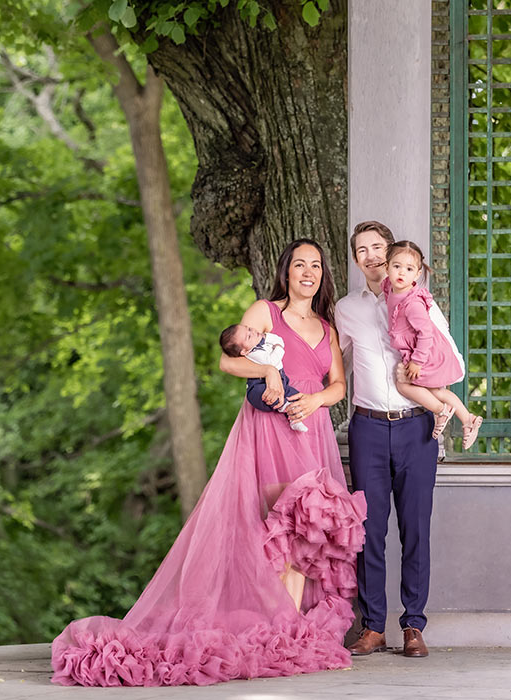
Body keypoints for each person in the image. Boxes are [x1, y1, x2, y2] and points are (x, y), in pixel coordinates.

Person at [51, 239, 365, 688]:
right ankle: (272, 624)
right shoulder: (265, 312)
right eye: (300, 264)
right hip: (269, 432)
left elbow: (336, 385)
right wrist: (269, 372)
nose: (308, 273)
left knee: (304, 533)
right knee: (273, 524)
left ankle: (290, 629)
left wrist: (314, 400)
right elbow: (227, 361)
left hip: (310, 432)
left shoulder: (327, 328)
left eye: (315, 265)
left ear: (323, 274)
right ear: (287, 271)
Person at [335, 221, 436, 660]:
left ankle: (413, 624)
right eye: (363, 249)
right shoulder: (345, 309)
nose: (372, 256)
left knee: (415, 530)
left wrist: (444, 402)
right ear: (355, 258)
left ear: (392, 253)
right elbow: (329, 363)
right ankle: (373, 626)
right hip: (368, 428)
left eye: (379, 247)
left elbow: (450, 357)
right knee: (368, 530)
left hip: (416, 426)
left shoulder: (420, 301)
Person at [383, 240, 482, 450]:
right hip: (419, 348)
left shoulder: (413, 304)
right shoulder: (389, 287)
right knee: (435, 390)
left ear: (417, 274)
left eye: (409, 269)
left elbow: (426, 333)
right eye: (396, 266)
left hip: (426, 351)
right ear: (387, 267)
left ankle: (441, 411)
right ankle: (467, 419)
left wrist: (417, 362)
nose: (402, 272)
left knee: (405, 384)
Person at [218, 323, 307, 432]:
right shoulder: (254, 353)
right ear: (244, 351)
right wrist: (279, 347)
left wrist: (268, 337)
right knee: (269, 395)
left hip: (280, 378)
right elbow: (272, 362)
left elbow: (278, 339)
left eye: (249, 328)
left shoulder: (262, 340)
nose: (253, 332)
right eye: (249, 336)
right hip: (259, 385)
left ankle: (295, 419)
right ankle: (285, 408)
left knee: (294, 396)